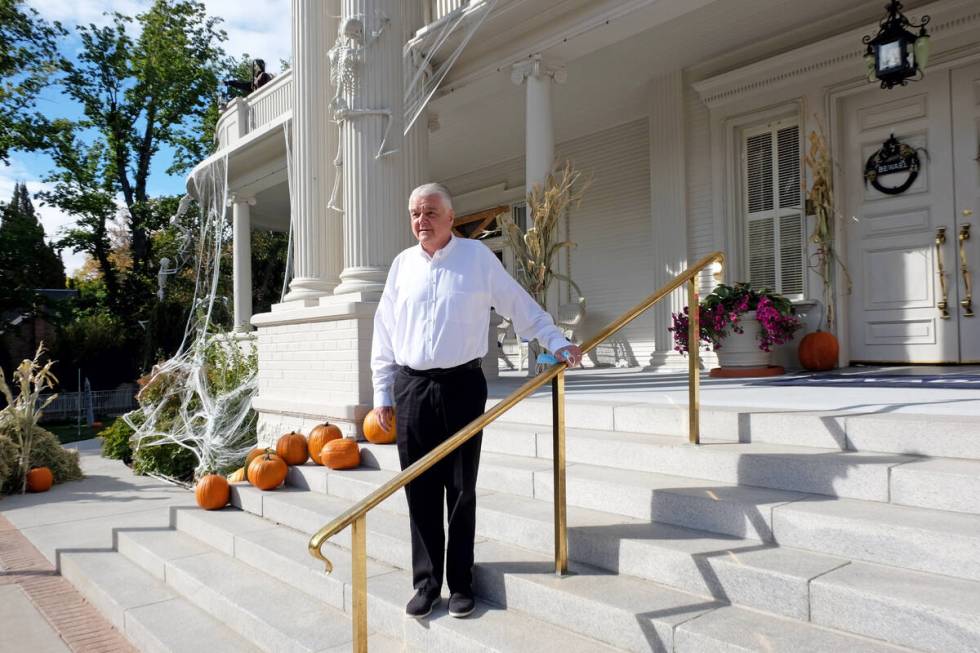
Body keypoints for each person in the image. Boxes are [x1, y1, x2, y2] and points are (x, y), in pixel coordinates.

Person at [370, 183, 583, 619]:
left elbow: (519, 306)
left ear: (451, 217)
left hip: (462, 386)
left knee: (461, 488)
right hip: (411, 388)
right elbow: (384, 330)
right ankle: (426, 584)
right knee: (419, 488)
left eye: (430, 212)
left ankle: (461, 582)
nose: (421, 221)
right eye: (414, 213)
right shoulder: (402, 265)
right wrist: (382, 392)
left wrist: (556, 341)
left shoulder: (478, 259)